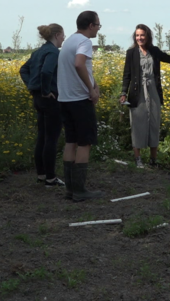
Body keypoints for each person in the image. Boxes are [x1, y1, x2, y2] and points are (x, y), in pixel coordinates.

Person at [120, 25, 170, 167]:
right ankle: (138, 159)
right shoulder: (131, 53)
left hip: (153, 91)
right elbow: (127, 75)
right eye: (137, 35)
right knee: (137, 123)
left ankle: (153, 159)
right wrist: (123, 93)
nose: (139, 38)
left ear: (148, 36)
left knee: (154, 123)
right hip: (137, 92)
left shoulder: (154, 51)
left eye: (142, 35)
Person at [57, 11, 103, 202]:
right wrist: (90, 90)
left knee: (71, 142)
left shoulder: (69, 41)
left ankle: (69, 189)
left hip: (65, 99)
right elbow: (79, 64)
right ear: (91, 25)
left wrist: (94, 83)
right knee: (85, 143)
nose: (99, 29)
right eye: (98, 25)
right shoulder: (85, 42)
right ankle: (80, 190)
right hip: (80, 100)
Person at [20, 24, 66, 188]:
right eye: (63, 35)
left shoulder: (38, 51)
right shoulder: (53, 52)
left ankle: (41, 174)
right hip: (51, 99)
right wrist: (46, 90)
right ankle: (51, 178)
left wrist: (32, 86)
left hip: (38, 98)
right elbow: (47, 72)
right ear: (57, 35)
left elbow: (23, 70)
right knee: (51, 139)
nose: (63, 38)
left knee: (42, 136)